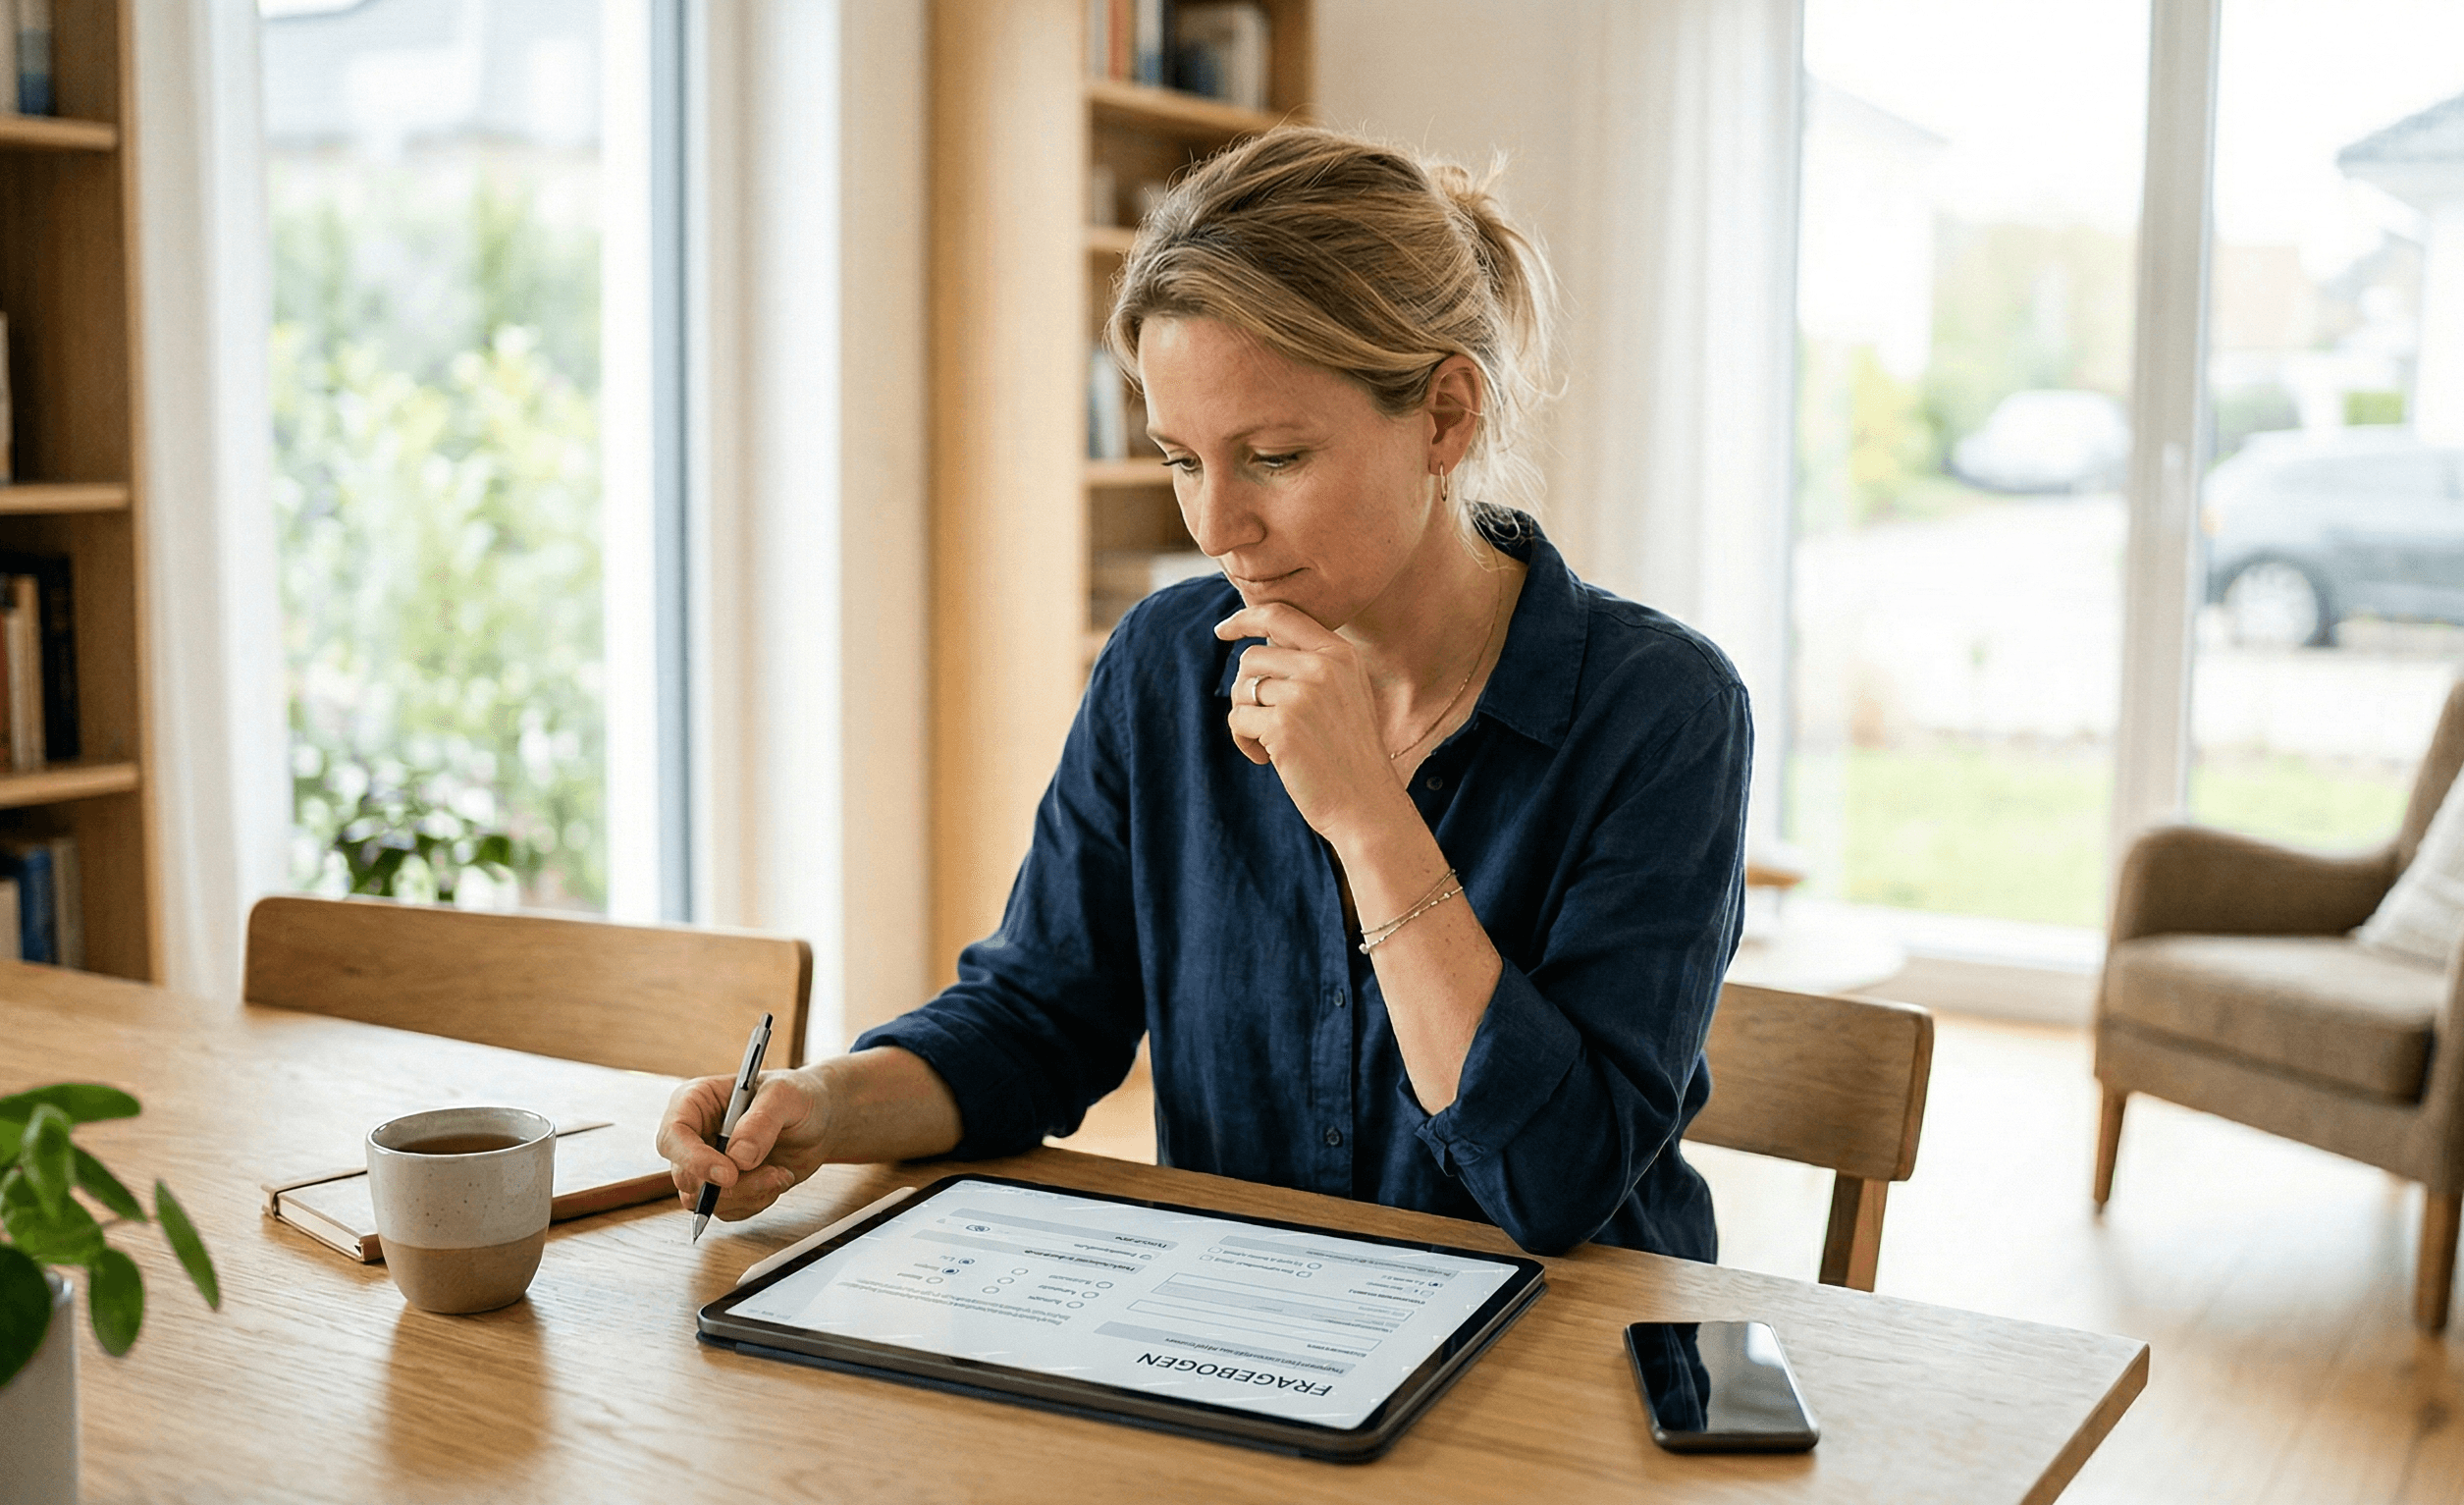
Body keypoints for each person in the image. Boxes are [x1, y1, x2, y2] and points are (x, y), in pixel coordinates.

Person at [659, 127, 1750, 1260]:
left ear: (1443, 415)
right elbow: (1040, 1020)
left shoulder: (1662, 710)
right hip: (1243, 1338)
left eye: (1273, 456)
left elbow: (1556, 1180)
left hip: (1558, 1360)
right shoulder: (1166, 661)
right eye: (1182, 459)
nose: (1215, 529)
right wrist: (825, 1108)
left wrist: (1370, 819)